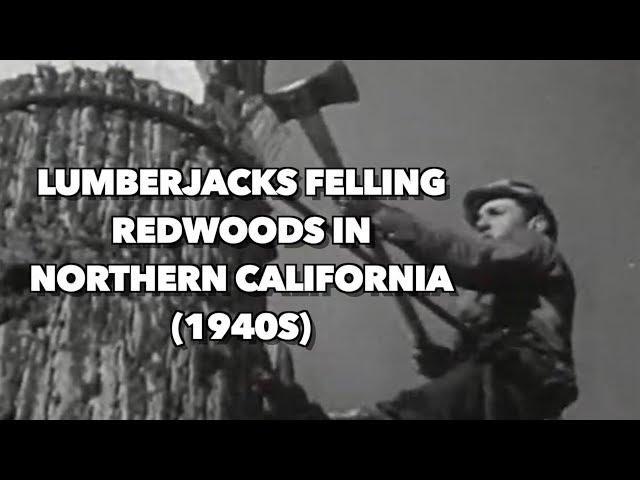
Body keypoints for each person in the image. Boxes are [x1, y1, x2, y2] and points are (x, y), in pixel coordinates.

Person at [255, 179, 579, 420]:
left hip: (518, 380)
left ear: (538, 222)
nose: (481, 222)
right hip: (504, 392)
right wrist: (445, 364)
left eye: (495, 213)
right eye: (480, 216)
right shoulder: (499, 290)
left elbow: (472, 260)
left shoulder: (536, 247)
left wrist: (386, 216)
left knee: (408, 415)